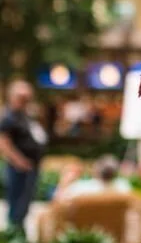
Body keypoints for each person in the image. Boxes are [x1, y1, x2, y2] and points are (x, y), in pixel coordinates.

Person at [0, 80, 48, 231]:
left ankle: (20, 233)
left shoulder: (25, 115)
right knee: (17, 203)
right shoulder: (9, 117)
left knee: (25, 204)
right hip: (19, 168)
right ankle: (13, 236)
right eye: (22, 97)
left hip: (31, 167)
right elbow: (3, 142)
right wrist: (19, 161)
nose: (25, 100)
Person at [55, 154, 131, 199]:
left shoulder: (83, 187)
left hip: (88, 225)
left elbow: (60, 200)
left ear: (96, 172)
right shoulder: (123, 187)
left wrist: (63, 183)